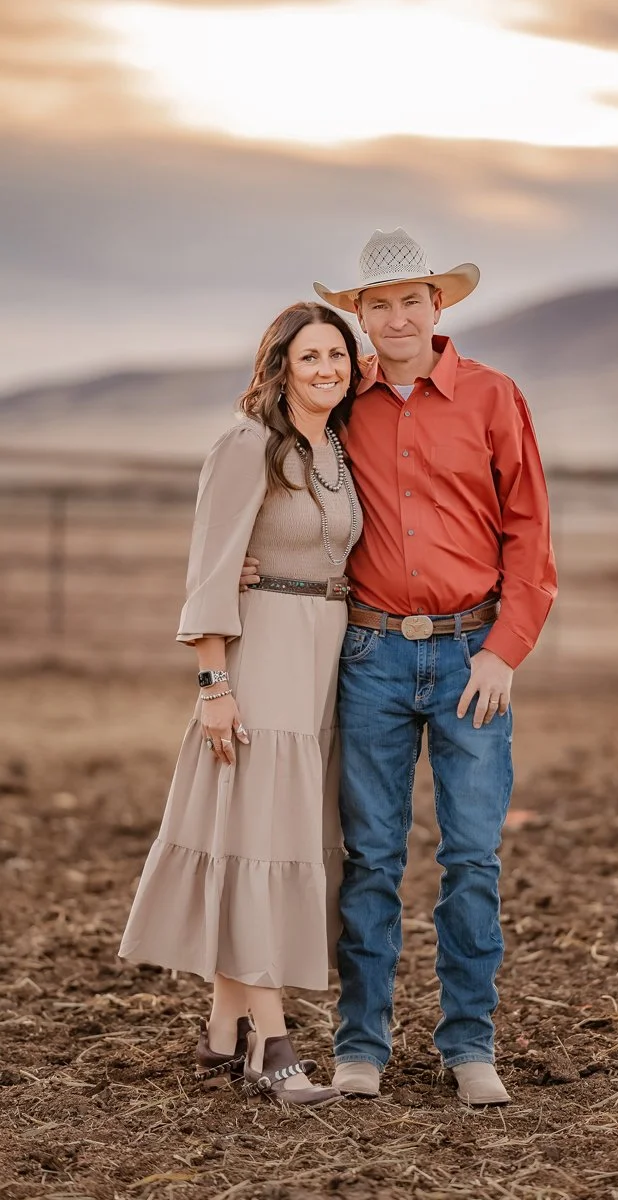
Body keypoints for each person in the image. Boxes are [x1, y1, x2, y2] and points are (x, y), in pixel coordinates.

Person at [241, 229, 557, 1106]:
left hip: (471, 658)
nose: (394, 317)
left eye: (410, 300)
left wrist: (503, 651)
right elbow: (273, 466)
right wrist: (246, 556)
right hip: (371, 652)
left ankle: (469, 1047)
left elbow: (530, 533)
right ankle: (361, 1046)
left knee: (472, 859)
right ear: (359, 316)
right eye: (376, 304)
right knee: (371, 859)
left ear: (438, 305)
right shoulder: (342, 398)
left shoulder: (495, 399)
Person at [119, 301, 364, 1107]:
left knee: (267, 839)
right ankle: (275, 1045)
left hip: (320, 660)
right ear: (281, 367)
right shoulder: (247, 444)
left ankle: (224, 1033)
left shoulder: (335, 447)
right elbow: (210, 568)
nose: (327, 368)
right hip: (259, 659)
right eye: (310, 357)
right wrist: (214, 685)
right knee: (259, 842)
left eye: (338, 355)